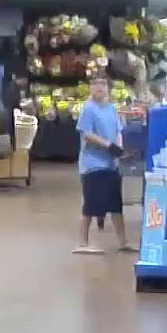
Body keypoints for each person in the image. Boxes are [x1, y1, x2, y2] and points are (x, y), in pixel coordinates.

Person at [74, 74, 131, 255]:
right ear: (90, 88)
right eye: (95, 84)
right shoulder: (88, 109)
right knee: (90, 205)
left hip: (111, 164)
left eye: (103, 84)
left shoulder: (112, 108)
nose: (99, 87)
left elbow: (118, 130)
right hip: (93, 164)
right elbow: (87, 134)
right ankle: (82, 243)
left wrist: (119, 148)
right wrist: (108, 145)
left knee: (116, 205)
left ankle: (123, 242)